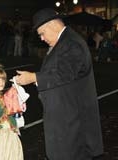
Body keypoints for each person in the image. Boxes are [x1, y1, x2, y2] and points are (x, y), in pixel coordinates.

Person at [15, 8, 103, 160]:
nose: (42, 38)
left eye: (42, 33)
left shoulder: (72, 43)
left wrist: (34, 78)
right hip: (65, 122)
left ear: (52, 25)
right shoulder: (63, 42)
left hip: (73, 125)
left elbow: (64, 74)